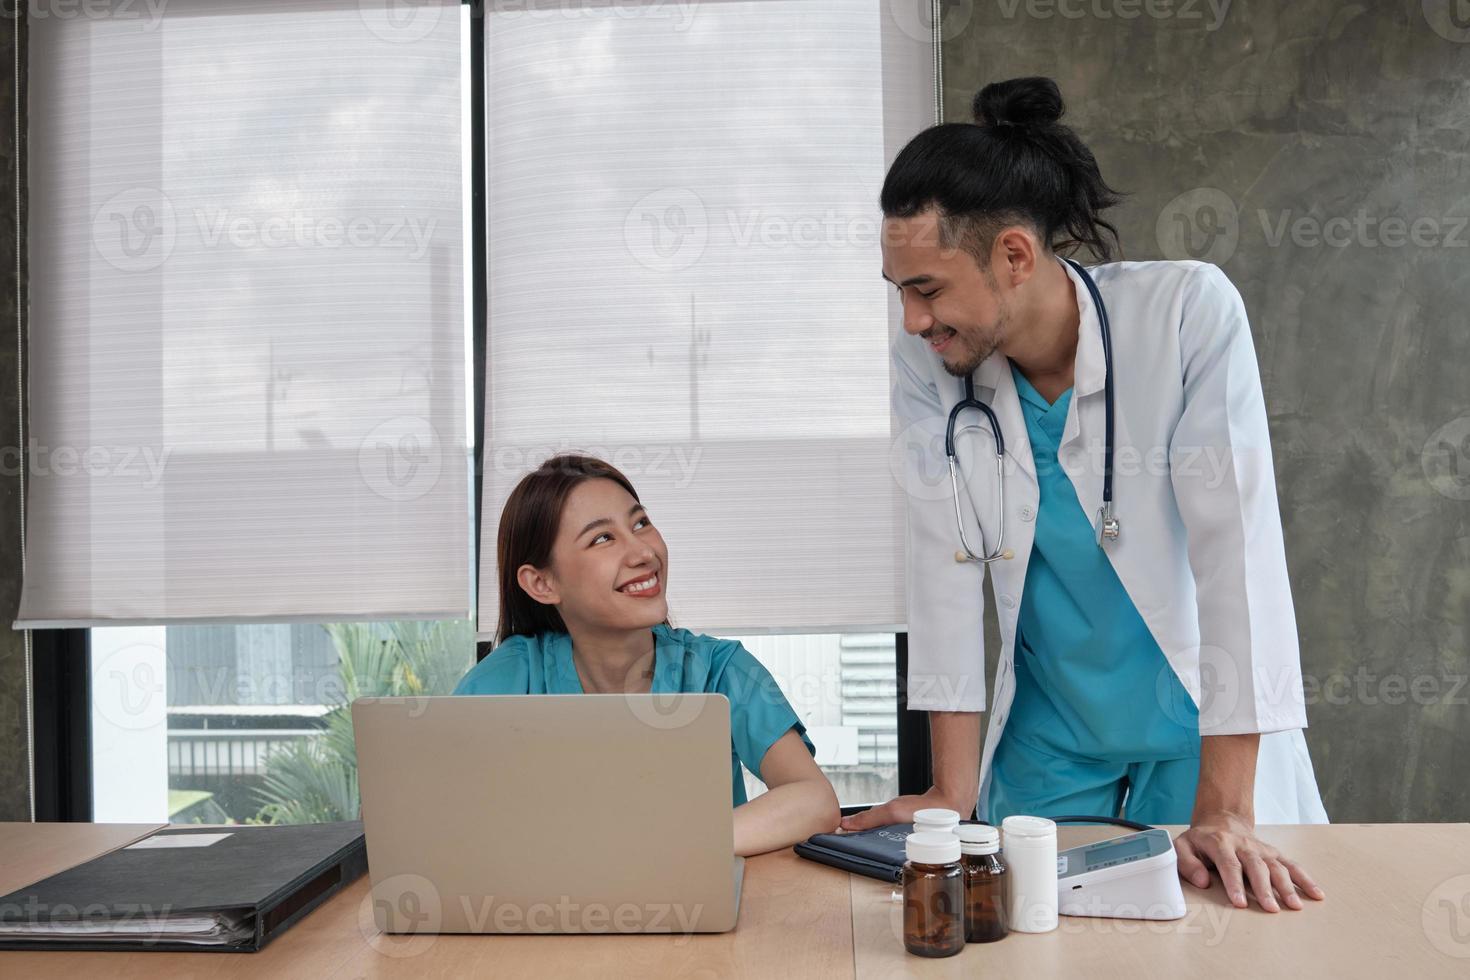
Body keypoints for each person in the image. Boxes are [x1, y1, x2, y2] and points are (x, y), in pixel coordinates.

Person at [843, 77, 1329, 914]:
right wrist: (950, 794)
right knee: (1023, 942)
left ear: (1015, 256)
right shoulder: (930, 368)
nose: (913, 323)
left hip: (1196, 732)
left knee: (1224, 938)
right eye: (900, 293)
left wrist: (1228, 807)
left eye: (926, 288)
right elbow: (945, 565)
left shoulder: (1184, 314)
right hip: (1051, 740)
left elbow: (1237, 553)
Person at [453, 453, 841, 857]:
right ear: (542, 583)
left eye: (640, 523)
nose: (643, 552)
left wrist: (659, 849)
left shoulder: (720, 670)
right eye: (602, 538)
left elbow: (814, 800)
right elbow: (442, 813)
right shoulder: (508, 678)